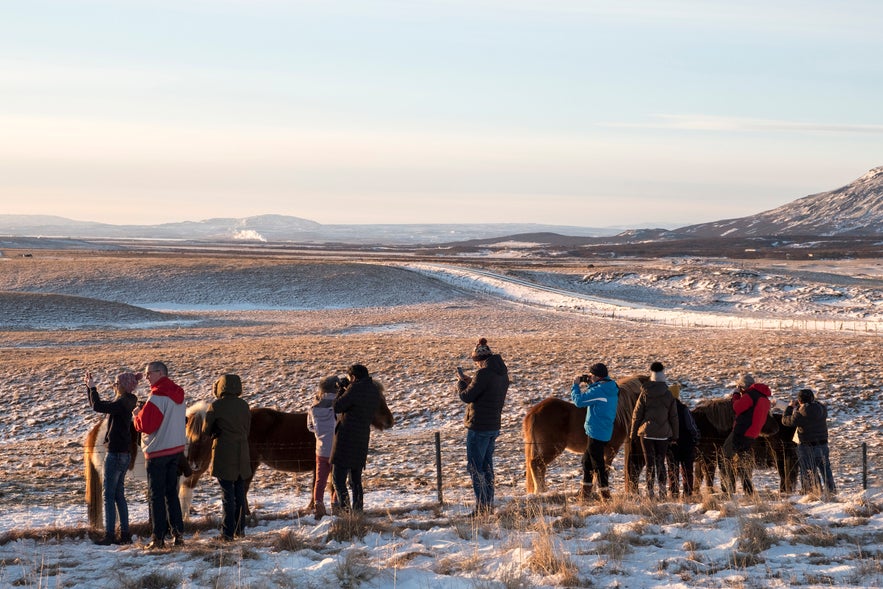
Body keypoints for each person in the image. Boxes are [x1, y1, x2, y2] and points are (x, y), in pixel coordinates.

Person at [134, 361, 187, 549]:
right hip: (175, 450)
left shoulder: (156, 396)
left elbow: (146, 426)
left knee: (156, 496)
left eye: (149, 373)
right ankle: (178, 534)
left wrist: (137, 415)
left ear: (160, 373)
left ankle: (158, 538)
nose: (147, 377)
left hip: (157, 452)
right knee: (171, 494)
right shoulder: (179, 394)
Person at [85, 370, 140, 545]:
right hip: (124, 455)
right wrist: (90, 389)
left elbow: (98, 406)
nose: (114, 386)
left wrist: (92, 388)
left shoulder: (122, 403)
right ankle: (124, 534)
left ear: (123, 386)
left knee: (108, 495)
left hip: (115, 454)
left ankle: (109, 535)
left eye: (117, 383)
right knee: (119, 495)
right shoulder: (127, 401)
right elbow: (98, 405)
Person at [456, 338, 509, 516]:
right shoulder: (501, 372)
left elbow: (467, 397)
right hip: (493, 425)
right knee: (487, 467)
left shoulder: (483, 374)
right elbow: (486, 390)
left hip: (478, 427)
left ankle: (481, 508)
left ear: (479, 360)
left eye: (476, 362)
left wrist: (462, 384)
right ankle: (488, 504)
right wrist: (474, 381)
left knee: (475, 467)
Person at [205, 374, 252, 541]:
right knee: (239, 493)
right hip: (242, 453)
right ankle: (240, 529)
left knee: (227, 495)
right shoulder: (244, 405)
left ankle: (227, 533)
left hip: (224, 454)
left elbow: (206, 430)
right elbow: (247, 428)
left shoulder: (216, 405)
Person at [331, 364, 382, 514]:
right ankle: (358, 512)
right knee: (355, 481)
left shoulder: (355, 389)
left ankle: (346, 513)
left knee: (338, 479)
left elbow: (337, 406)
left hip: (346, 440)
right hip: (361, 440)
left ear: (353, 377)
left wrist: (341, 389)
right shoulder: (374, 390)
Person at [629, 362, 678, 500]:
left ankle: (650, 492)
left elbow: (637, 414)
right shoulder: (668, 395)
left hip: (647, 434)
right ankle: (662, 492)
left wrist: (633, 433)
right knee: (660, 462)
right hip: (663, 434)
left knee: (649, 463)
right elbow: (674, 417)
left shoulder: (644, 393)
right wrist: (675, 435)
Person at [571, 362, 619, 501]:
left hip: (596, 431)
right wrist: (591, 384)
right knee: (587, 461)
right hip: (604, 429)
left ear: (597, 377)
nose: (589, 377)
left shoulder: (598, 390)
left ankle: (605, 495)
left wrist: (575, 385)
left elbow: (579, 402)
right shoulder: (611, 386)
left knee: (598, 464)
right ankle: (585, 494)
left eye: (591, 375)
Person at [721, 373, 772, 496]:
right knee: (744, 462)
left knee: (725, 454)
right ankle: (748, 490)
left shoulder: (750, 395)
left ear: (742, 386)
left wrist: (736, 395)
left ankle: (727, 488)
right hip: (752, 435)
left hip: (741, 431)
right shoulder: (764, 398)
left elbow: (737, 407)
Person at [781, 388, 835, 497]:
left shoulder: (800, 414)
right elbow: (815, 404)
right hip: (823, 445)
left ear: (800, 401)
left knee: (808, 470)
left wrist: (790, 407)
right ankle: (832, 491)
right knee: (826, 469)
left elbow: (786, 421)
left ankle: (812, 493)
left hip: (807, 446)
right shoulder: (822, 409)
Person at [307, 376, 339, 519]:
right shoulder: (338, 405)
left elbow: (310, 427)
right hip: (336, 449)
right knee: (337, 479)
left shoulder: (314, 407)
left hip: (320, 450)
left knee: (320, 480)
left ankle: (318, 506)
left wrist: (320, 434)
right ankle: (336, 504)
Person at [666, 383, 700, 499]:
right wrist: (695, 438)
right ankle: (688, 494)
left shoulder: (666, 410)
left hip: (671, 444)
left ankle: (674, 494)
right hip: (686, 444)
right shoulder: (684, 409)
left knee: (672, 471)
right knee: (687, 471)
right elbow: (692, 426)